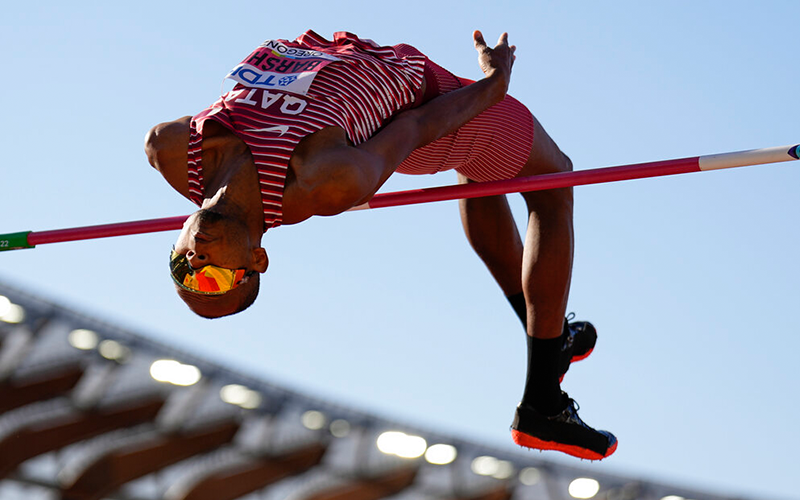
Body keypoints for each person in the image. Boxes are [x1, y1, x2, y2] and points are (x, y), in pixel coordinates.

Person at [145, 29, 617, 460]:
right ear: (257, 259)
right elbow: (415, 128)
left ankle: (548, 341)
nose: (197, 260)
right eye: (212, 278)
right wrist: (493, 84)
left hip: (353, 64)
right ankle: (543, 403)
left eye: (183, 271)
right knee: (555, 181)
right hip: (424, 102)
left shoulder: (172, 151)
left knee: (479, 175)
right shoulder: (322, 182)